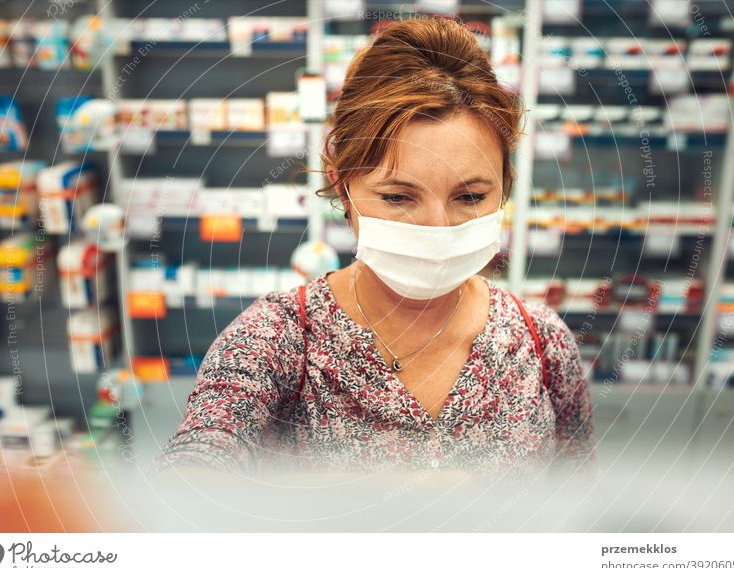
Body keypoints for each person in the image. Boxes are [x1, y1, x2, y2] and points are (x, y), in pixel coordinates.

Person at [152, 17, 596, 479]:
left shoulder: (542, 342)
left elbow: (582, 507)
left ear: (504, 190)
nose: (436, 228)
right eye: (398, 197)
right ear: (343, 188)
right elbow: (201, 457)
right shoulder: (279, 341)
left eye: (469, 197)